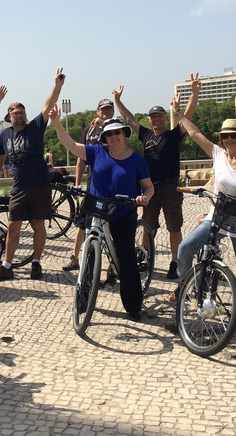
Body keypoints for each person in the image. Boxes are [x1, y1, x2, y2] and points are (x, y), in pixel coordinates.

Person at [173, 106, 236, 339]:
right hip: (217, 216)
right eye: (225, 136)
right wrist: (180, 114)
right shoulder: (218, 154)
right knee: (186, 247)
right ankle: (187, 284)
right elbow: (195, 133)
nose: (228, 139)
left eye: (233, 135)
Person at [49, 109, 154, 320]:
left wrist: (145, 198)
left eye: (117, 133)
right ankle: (84, 298)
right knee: (89, 254)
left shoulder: (137, 160)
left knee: (126, 258)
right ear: (104, 137)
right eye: (109, 134)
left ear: (125, 135)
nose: (114, 137)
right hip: (97, 207)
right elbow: (70, 145)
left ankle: (133, 306)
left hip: (124, 210)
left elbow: (148, 187)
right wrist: (56, 122)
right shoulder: (96, 152)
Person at [113, 73, 201, 280]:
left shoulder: (173, 135)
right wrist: (118, 100)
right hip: (150, 187)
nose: (157, 119)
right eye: (153, 116)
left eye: (160, 115)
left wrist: (194, 92)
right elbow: (128, 119)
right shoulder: (146, 135)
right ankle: (145, 257)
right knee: (147, 225)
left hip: (171, 188)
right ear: (150, 119)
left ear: (164, 117)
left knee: (174, 227)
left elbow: (187, 116)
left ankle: (176, 262)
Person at [0, 68, 65, 282]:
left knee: (38, 224)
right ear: (9, 117)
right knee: (12, 225)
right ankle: (7, 267)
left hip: (39, 183)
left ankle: (36, 263)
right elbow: (0, 158)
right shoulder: (4, 134)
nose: (18, 115)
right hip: (19, 186)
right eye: (15, 113)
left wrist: (57, 85)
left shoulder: (35, 127)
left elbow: (48, 105)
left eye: (21, 112)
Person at [62, 97, 116, 271]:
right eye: (103, 110)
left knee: (113, 223)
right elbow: (81, 157)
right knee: (83, 221)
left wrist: (104, 125)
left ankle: (116, 260)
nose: (106, 112)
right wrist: (78, 183)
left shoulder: (115, 128)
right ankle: (75, 257)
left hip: (112, 183)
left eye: (109, 109)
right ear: (97, 111)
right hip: (93, 183)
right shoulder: (88, 130)